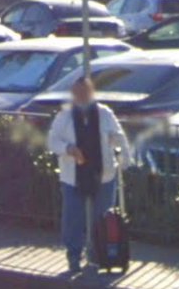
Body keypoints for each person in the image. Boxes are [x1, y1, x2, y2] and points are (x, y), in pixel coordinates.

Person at [47, 76, 132, 273]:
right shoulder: (65, 116)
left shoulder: (104, 113)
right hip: (73, 175)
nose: (81, 96)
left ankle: (98, 254)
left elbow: (118, 136)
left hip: (103, 172)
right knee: (73, 217)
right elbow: (52, 141)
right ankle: (74, 256)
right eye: (77, 92)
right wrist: (68, 149)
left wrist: (124, 155)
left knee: (102, 216)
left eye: (85, 91)